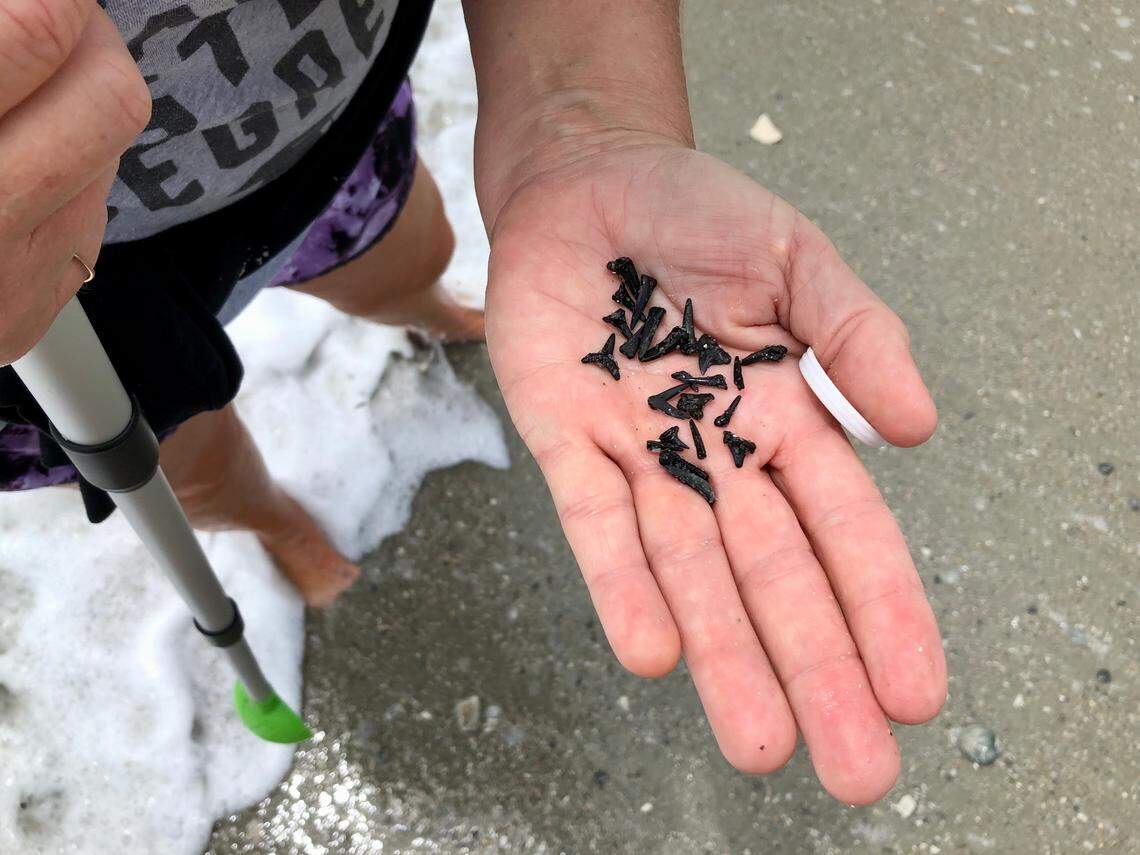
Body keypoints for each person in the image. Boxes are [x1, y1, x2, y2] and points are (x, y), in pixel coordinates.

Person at [0, 0, 946, 804]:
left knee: (404, 255)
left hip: (321, 136)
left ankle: (424, 309)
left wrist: (581, 125)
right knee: (180, 453)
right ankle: (271, 519)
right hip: (57, 311)